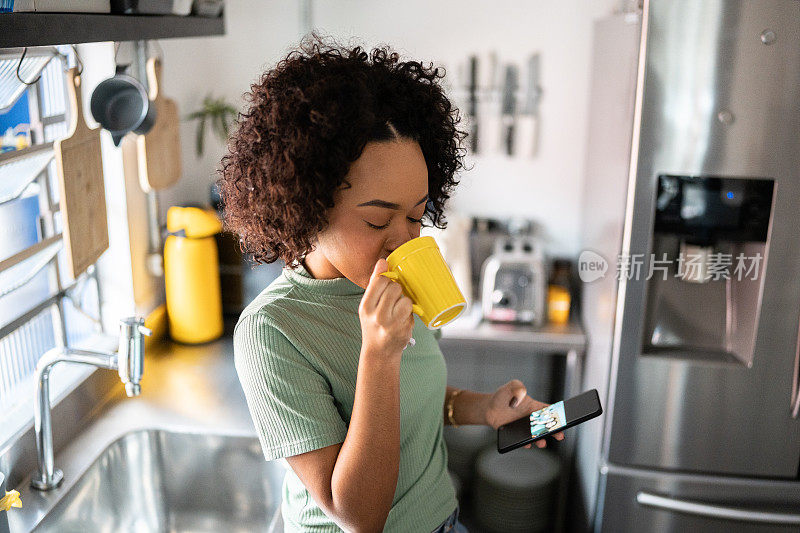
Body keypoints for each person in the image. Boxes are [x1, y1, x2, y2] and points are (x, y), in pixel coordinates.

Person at [218, 32, 564, 533]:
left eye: (418, 216)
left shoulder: (403, 285)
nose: (403, 240)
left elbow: (421, 404)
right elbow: (359, 515)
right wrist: (378, 354)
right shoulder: (273, 331)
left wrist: (483, 409)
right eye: (378, 222)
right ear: (307, 207)